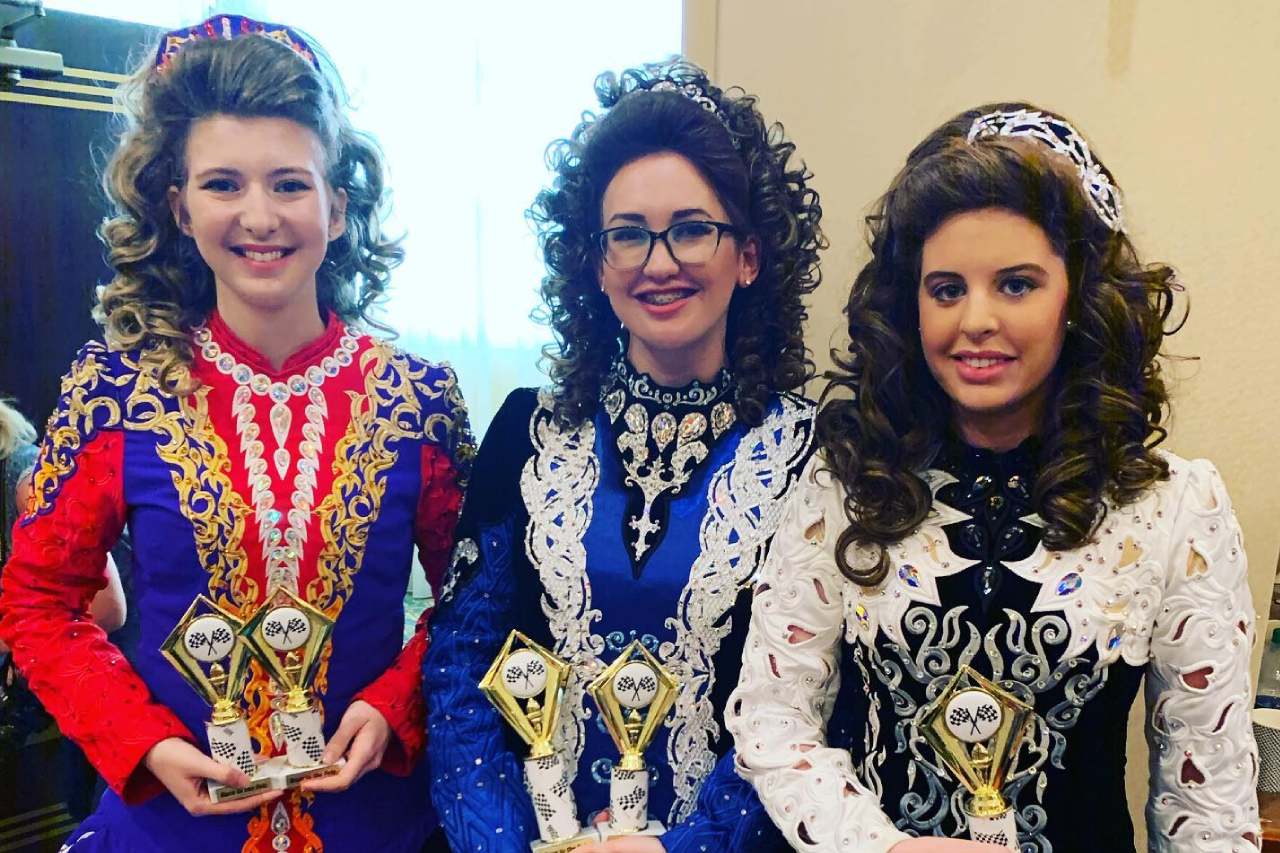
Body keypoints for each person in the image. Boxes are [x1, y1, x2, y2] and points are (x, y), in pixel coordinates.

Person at [727, 103, 1260, 852]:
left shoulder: (1175, 508)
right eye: (946, 288)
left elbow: (1205, 808)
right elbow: (775, 717)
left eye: (1015, 284)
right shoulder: (847, 486)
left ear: (1079, 295)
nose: (975, 319)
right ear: (909, 304)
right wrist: (884, 847)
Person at [0, 15, 472, 852]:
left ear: (338, 202)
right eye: (224, 184)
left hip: (373, 820)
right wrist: (142, 740)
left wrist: (392, 704)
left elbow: (471, 602)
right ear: (178, 207)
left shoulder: (419, 399)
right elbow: (39, 601)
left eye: (289, 183)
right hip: (174, 823)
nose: (260, 216)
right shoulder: (116, 392)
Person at [423, 60, 824, 852]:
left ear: (748, 255)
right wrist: (506, 846)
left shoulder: (812, 453)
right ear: (596, 264)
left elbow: (807, 703)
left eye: (692, 228)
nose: (658, 259)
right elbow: (457, 671)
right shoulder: (525, 431)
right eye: (628, 234)